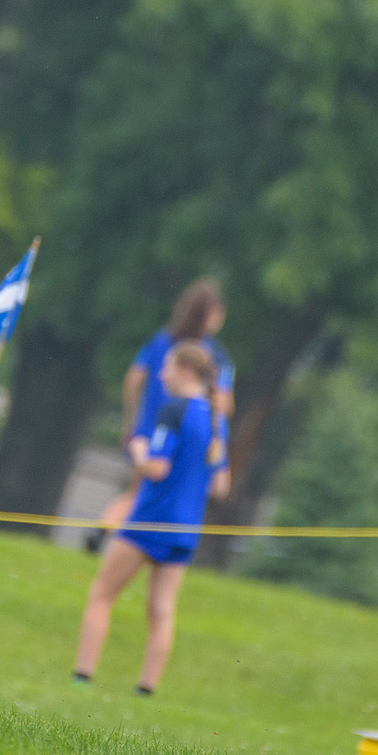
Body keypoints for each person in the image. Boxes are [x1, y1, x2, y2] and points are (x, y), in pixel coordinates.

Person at [73, 341, 229, 694]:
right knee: (162, 611)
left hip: (149, 521)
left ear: (186, 371)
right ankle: (146, 689)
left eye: (168, 367)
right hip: (186, 530)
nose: (161, 374)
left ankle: (81, 677)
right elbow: (220, 485)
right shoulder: (218, 422)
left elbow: (157, 468)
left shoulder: (172, 411)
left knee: (101, 595)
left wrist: (138, 449)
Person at [93, 279, 235, 545]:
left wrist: (132, 422)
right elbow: (224, 404)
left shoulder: (162, 340)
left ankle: (105, 527)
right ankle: (123, 537)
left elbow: (133, 380)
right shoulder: (214, 355)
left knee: (138, 490)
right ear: (213, 314)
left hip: (149, 429)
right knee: (155, 495)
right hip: (186, 435)